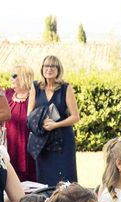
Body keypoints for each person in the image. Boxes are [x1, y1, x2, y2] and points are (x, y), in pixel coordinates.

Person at [27, 55, 80, 186]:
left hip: (63, 141)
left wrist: (56, 125)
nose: (49, 69)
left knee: (65, 179)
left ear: (58, 69)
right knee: (44, 179)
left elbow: (75, 117)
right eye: (46, 66)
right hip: (43, 141)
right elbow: (29, 113)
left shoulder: (65, 88)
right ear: (42, 68)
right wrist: (40, 121)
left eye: (52, 66)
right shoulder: (36, 87)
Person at [5, 65, 36, 181]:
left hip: (29, 147)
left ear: (24, 77)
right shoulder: (7, 94)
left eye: (14, 76)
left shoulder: (35, 96)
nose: (11, 79)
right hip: (10, 145)